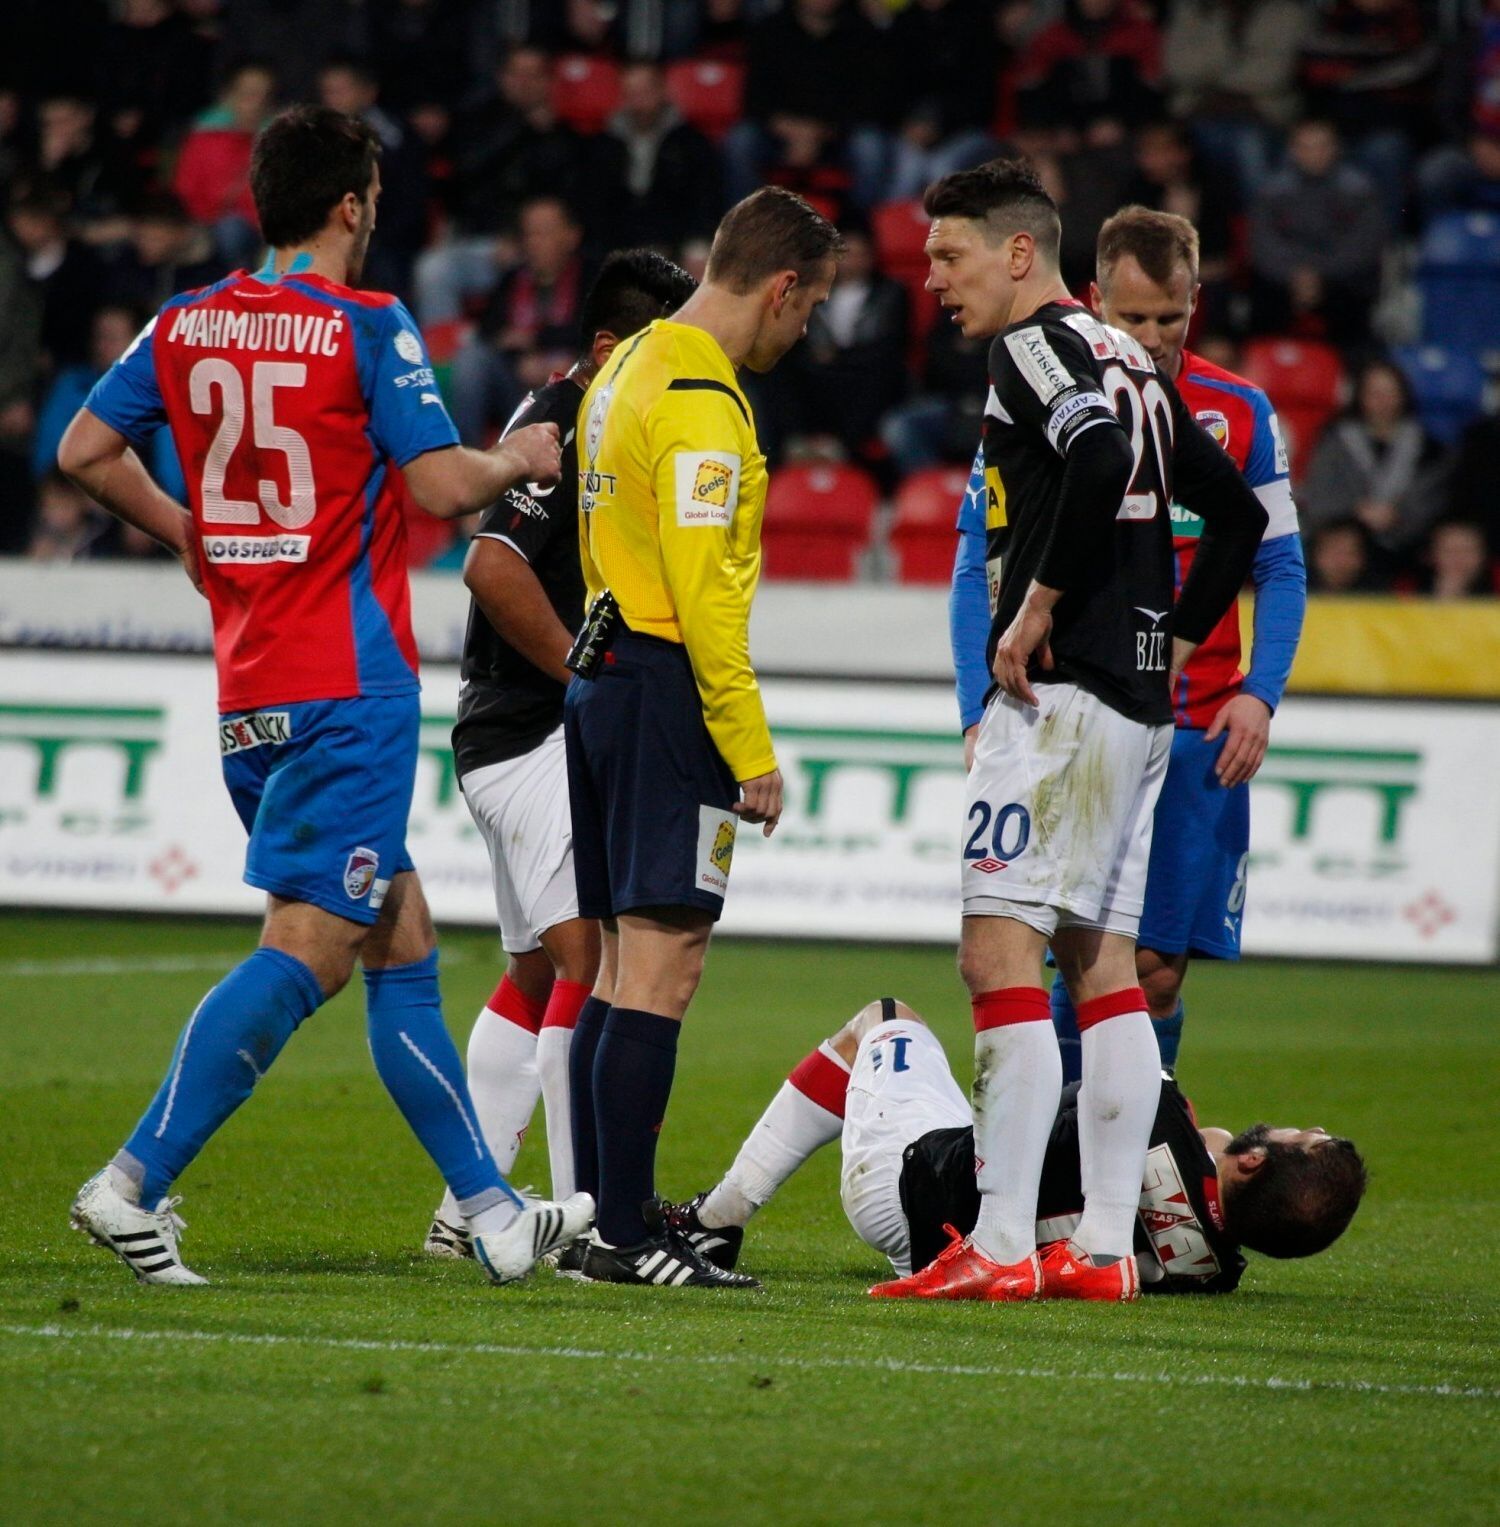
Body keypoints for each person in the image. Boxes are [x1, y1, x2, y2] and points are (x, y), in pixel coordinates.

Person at [58, 104, 591, 1288]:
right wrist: (525, 457)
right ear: (353, 203)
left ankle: (496, 1215)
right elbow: (447, 482)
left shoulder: (185, 322)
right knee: (309, 944)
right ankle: (129, 1183)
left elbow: (85, 453)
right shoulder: (363, 324)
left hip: (250, 686)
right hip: (348, 685)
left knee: (397, 940)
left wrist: (186, 530)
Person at [881, 160, 1267, 1304]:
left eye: (949, 256)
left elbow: (1094, 458)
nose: (934, 280)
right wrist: (1182, 643)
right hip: (1142, 707)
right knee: (1101, 966)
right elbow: (1235, 515)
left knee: (995, 953)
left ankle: (999, 1240)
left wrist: (1041, 602)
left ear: (1016, 252)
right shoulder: (1139, 362)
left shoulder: (1039, 344)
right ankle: (1100, 1248)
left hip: (1061, 702)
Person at [564, 185, 842, 1289]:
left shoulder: (627, 360)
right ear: (781, 288)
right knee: (665, 963)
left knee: (622, 965)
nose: (806, 328)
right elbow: (703, 591)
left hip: (605, 677)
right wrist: (749, 745)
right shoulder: (696, 398)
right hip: (665, 685)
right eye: (811, 307)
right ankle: (625, 1238)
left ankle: (605, 1221)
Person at [424, 249, 698, 1267]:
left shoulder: (592, 413)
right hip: (532, 731)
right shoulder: (572, 418)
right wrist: (580, 678)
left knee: (535, 970)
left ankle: (472, 1208)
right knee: (595, 960)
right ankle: (594, 1219)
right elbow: (491, 565)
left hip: (501, 731)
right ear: (606, 349)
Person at [1037, 207, 1305, 1079]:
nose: (1152, 339)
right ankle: (1053, 1157)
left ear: (1196, 301)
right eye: (1132, 319)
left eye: (1171, 318)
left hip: (1196, 732)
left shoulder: (1240, 411)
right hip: (1083, 715)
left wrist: (1260, 690)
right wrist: (978, 700)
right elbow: (979, 566)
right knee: (1070, 956)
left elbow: (1283, 568)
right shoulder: (1053, 400)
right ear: (1092, 299)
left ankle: (1145, 1159)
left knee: (1155, 971)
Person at [668, 998, 1367, 1293]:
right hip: (952, 1225)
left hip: (910, 1186)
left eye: (1294, 1137)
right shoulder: (1217, 1272)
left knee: (883, 1019)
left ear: (1253, 1160)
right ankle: (715, 1221)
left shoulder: (1157, 1109)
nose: (1284, 1124)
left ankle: (715, 1221)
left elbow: (1081, 1099)